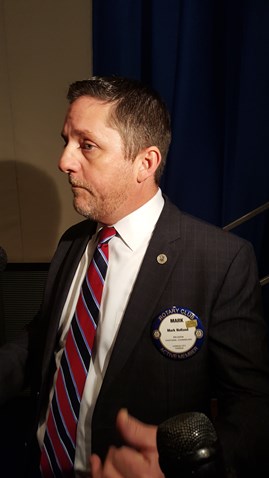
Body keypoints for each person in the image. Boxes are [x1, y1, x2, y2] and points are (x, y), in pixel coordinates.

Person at [0, 76, 269, 478]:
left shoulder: (220, 260)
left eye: (86, 145)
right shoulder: (73, 242)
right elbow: (45, 337)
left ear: (145, 162)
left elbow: (253, 405)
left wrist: (188, 467)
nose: (65, 161)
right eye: (66, 141)